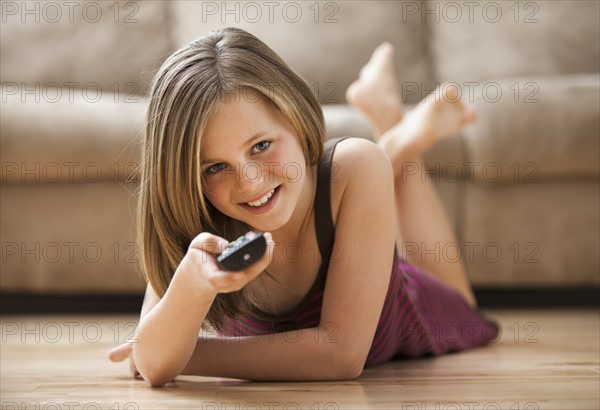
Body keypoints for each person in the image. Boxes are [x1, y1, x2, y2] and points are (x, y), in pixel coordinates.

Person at [108, 27, 498, 386]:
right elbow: (156, 365)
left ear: (296, 117)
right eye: (215, 167)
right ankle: (394, 130)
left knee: (463, 304)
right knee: (370, 167)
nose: (250, 182)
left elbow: (340, 356)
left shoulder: (357, 165)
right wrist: (190, 288)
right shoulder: (193, 213)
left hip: (406, 308)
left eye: (261, 145)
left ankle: (395, 134)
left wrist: (186, 354)